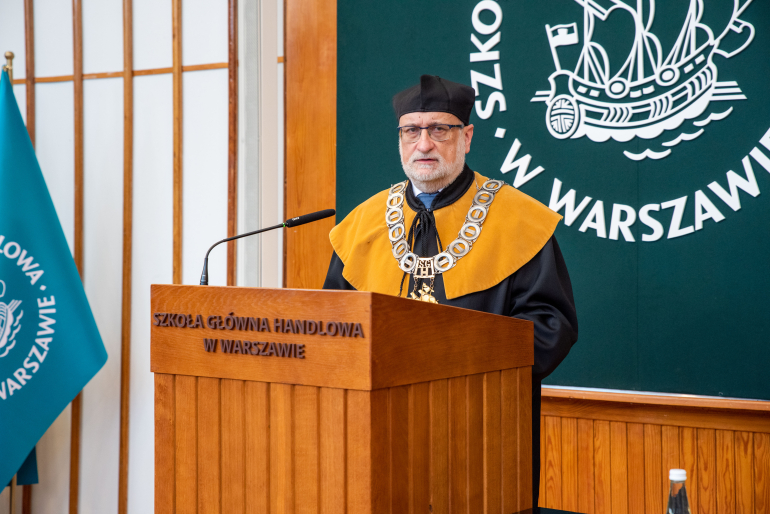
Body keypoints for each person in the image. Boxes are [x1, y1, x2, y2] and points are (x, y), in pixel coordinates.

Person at [323, 74, 578, 505]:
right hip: (379, 425)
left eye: (439, 129)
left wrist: (460, 363)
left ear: (467, 136)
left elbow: (552, 327)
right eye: (411, 131)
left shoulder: (519, 221)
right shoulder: (361, 225)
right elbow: (334, 326)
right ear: (400, 139)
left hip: (483, 430)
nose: (424, 144)